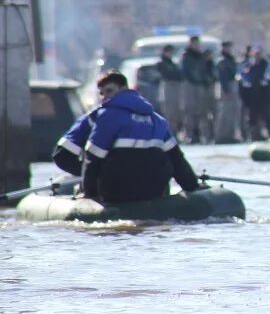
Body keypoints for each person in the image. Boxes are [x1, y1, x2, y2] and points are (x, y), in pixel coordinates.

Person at [52, 70, 200, 202]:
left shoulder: (104, 116)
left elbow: (90, 159)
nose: (104, 98)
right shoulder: (157, 119)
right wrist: (193, 188)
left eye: (109, 91)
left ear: (124, 89)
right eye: (102, 94)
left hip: (115, 191)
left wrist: (89, 192)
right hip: (152, 192)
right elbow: (178, 161)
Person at [181, 35, 210, 143]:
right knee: (190, 111)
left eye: (197, 43)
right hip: (190, 85)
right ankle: (190, 134)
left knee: (201, 111)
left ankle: (200, 134)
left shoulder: (200, 56)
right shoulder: (186, 55)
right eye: (194, 43)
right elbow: (186, 71)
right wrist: (195, 79)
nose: (196, 45)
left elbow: (204, 69)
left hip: (199, 85)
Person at [239, 46, 270, 141]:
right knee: (252, 117)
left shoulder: (266, 65)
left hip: (264, 94)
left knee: (266, 116)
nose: (257, 56)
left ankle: (268, 134)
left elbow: (269, 80)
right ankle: (253, 135)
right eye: (255, 53)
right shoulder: (248, 65)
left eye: (259, 54)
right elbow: (244, 80)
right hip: (252, 95)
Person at [214, 41, 240, 143]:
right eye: (227, 47)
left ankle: (230, 135)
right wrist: (226, 90)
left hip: (232, 85)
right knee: (224, 113)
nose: (228, 49)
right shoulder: (222, 61)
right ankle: (221, 136)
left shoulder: (230, 59)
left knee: (232, 112)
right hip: (226, 87)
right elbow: (222, 77)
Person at [155, 44, 184, 132]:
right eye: (168, 52)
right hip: (167, 89)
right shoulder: (161, 64)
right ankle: (168, 131)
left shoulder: (173, 64)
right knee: (169, 112)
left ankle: (174, 131)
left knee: (175, 112)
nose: (170, 54)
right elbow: (166, 75)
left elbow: (179, 75)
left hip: (175, 89)